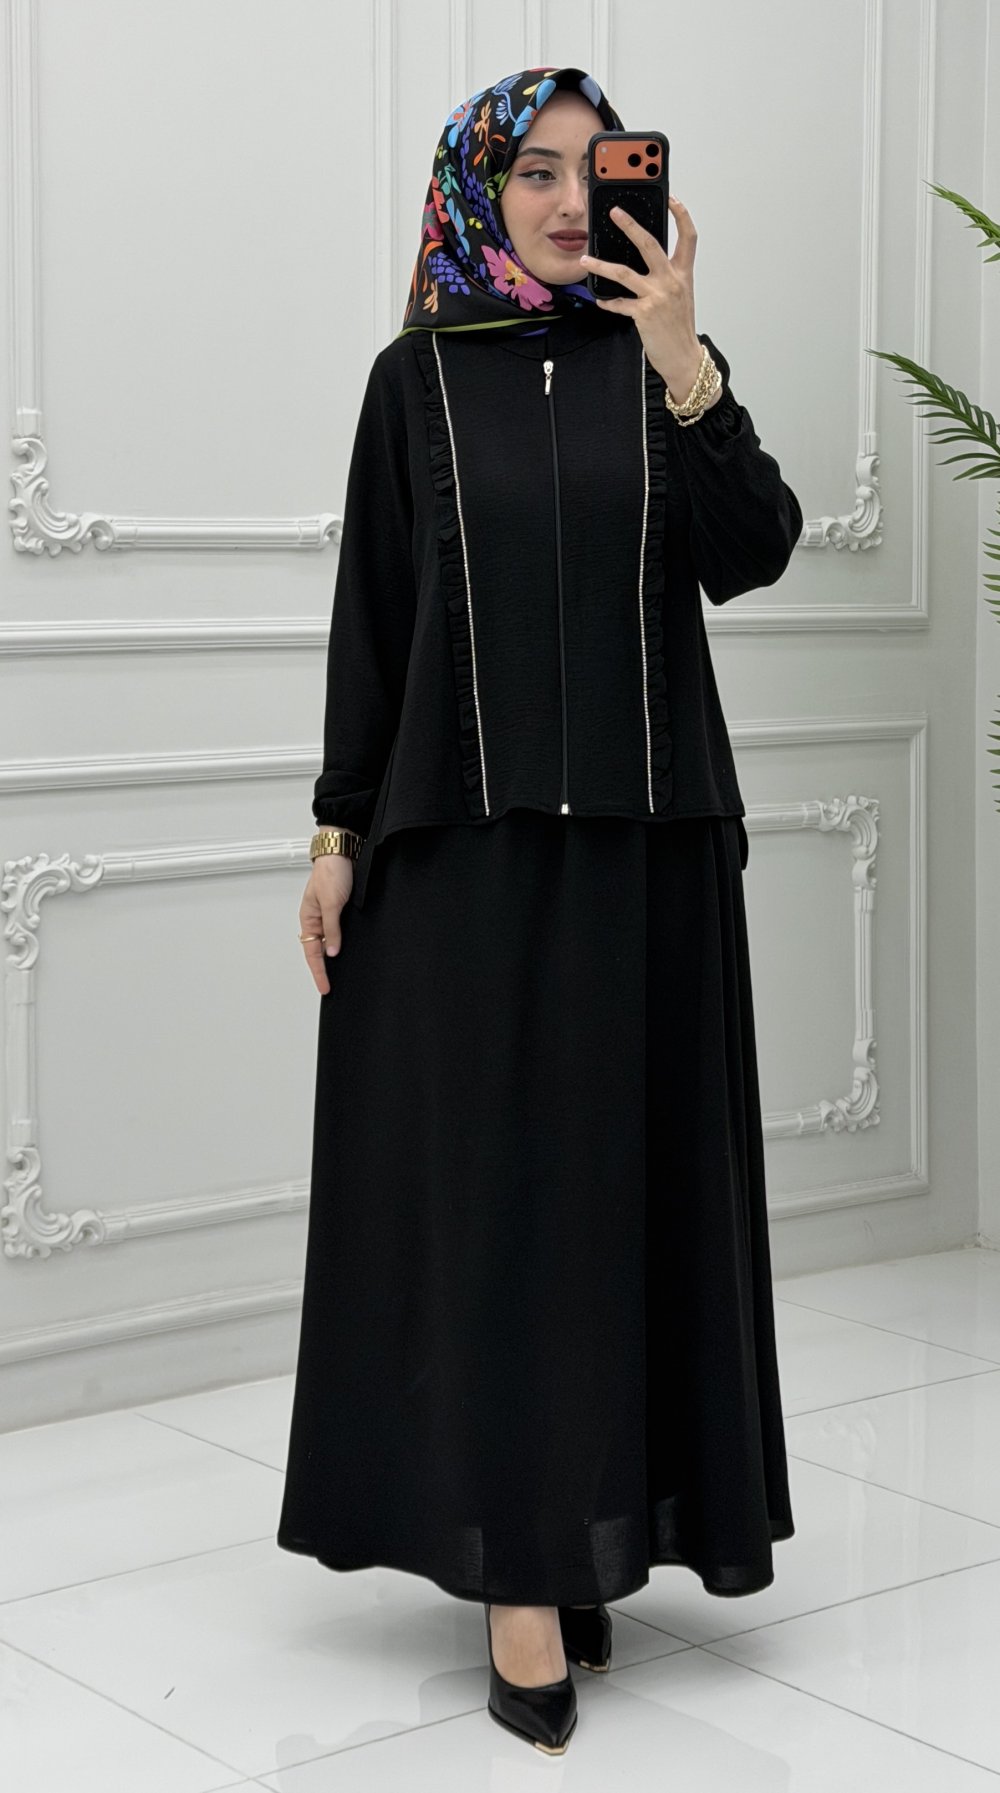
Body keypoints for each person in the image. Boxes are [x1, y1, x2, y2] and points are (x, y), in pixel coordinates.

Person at [277, 65, 802, 1756]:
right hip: (472, 864)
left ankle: (590, 1522)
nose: (576, 201)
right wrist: (336, 831)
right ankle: (517, 1568)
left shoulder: (661, 365)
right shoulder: (416, 381)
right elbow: (375, 614)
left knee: (619, 1205)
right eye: (539, 171)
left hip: (650, 855)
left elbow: (757, 548)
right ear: (477, 190)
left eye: (601, 168)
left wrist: (688, 362)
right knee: (499, 1214)